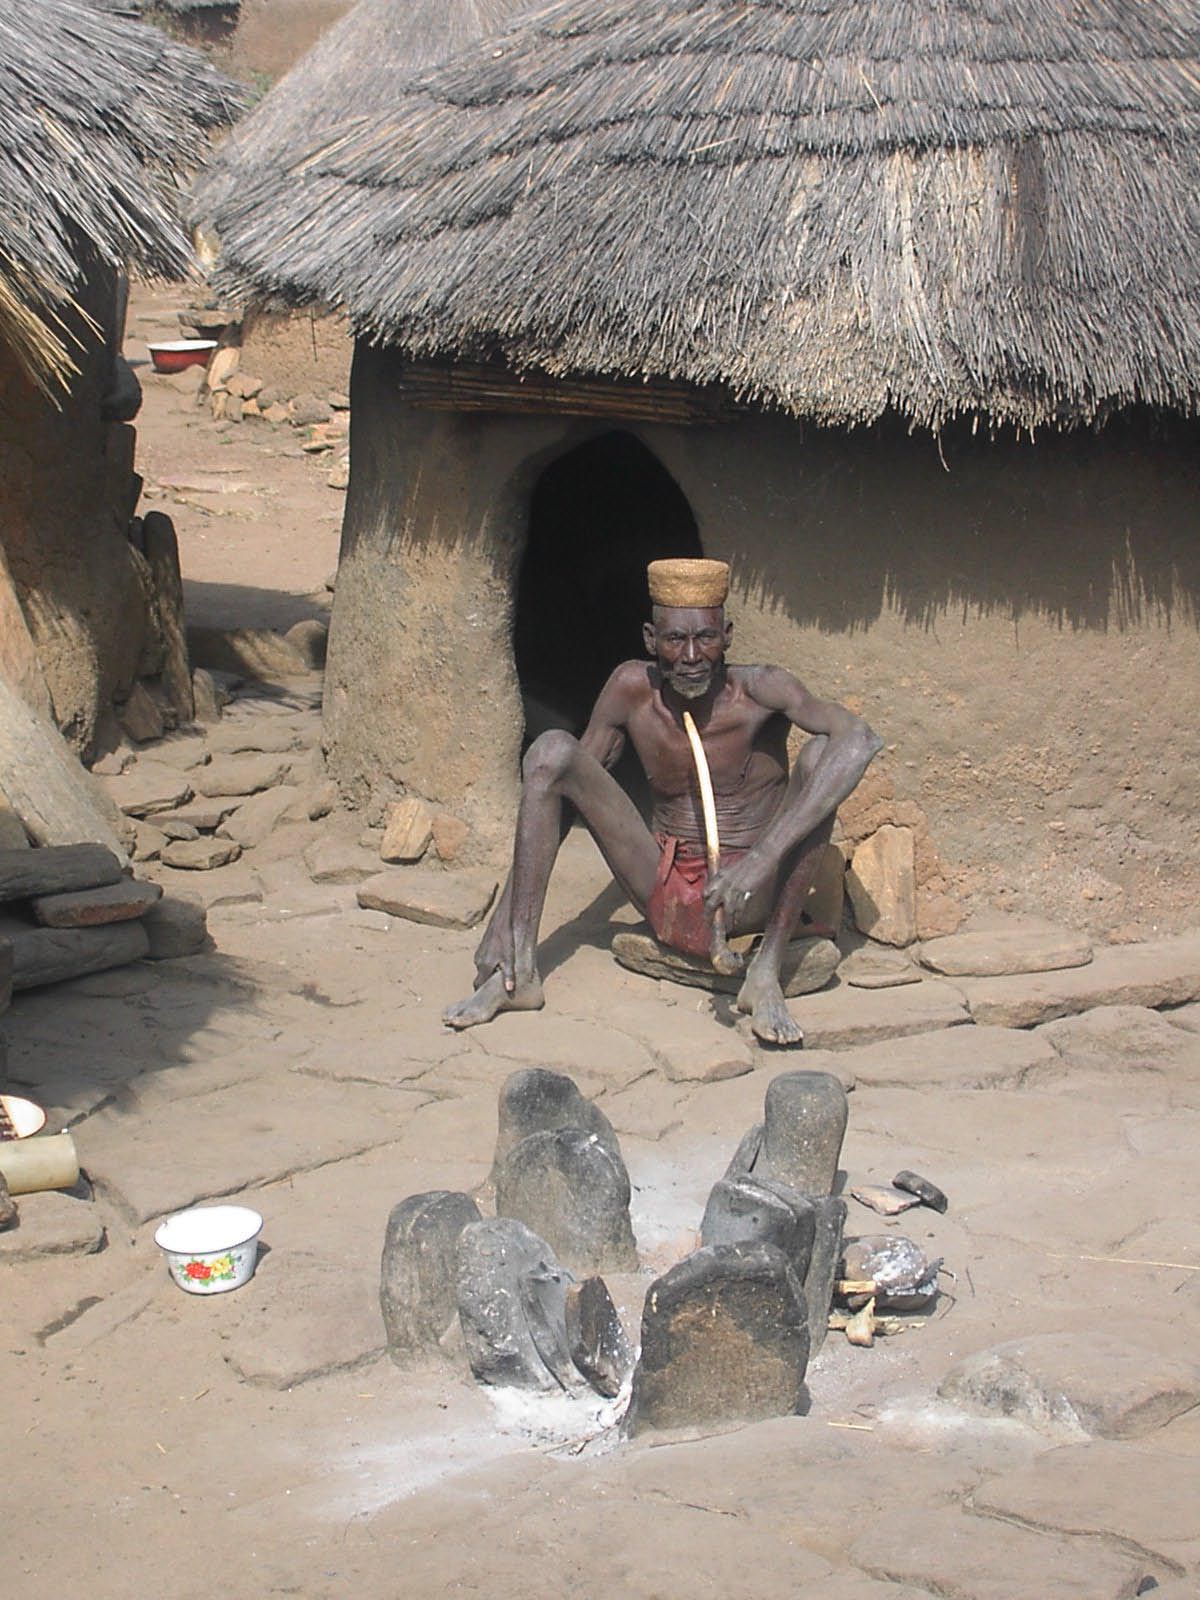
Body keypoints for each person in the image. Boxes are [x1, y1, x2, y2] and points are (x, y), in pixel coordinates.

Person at [444, 558, 882, 1045]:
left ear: (728, 636)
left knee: (825, 756)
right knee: (550, 752)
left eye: (706, 638)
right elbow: (561, 795)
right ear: (652, 640)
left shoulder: (763, 690)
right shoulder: (632, 690)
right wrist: (507, 917)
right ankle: (517, 970)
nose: (692, 656)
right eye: (676, 640)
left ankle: (766, 972)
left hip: (749, 896)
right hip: (665, 887)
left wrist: (759, 862)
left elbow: (860, 741)